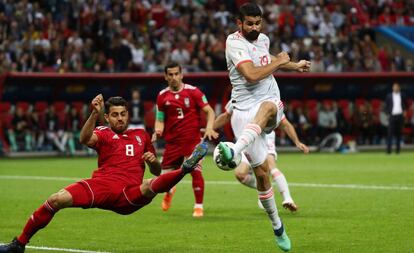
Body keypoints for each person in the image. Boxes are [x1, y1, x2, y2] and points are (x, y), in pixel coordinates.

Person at [0, 95, 208, 253]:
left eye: (123, 114)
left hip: (129, 193)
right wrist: (93, 113)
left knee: (149, 184)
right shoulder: (103, 132)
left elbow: (156, 170)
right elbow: (84, 139)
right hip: (101, 186)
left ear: (128, 114)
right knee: (56, 199)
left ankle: (185, 169)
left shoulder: (141, 136)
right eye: (115, 115)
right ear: (107, 117)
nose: (120, 119)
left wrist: (154, 162)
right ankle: (19, 244)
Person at [217, 3, 310, 251]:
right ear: (239, 23)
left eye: (258, 23)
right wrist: (280, 61)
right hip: (243, 112)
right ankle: (278, 227)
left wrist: (293, 65)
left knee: (269, 106)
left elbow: (267, 63)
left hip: (268, 104)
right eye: (249, 23)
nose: (255, 28)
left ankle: (234, 151)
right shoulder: (234, 42)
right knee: (261, 175)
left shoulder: (264, 40)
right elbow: (251, 74)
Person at [214, 101, 308, 212]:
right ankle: (265, 188)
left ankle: (288, 199)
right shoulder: (237, 97)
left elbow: (285, 123)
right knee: (240, 174)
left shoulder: (268, 99)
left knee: (271, 167)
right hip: (243, 142)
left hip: (264, 138)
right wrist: (210, 128)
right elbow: (226, 116)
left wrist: (297, 142)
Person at [152, 61, 218, 218]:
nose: (174, 77)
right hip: (173, 142)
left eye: (176, 74)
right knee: (164, 178)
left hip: (192, 141)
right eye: (170, 74)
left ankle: (198, 207)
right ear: (165, 76)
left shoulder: (193, 92)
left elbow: (209, 111)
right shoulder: (162, 96)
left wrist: (209, 127)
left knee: (195, 171)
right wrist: (158, 131)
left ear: (181, 74)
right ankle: (170, 191)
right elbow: (160, 118)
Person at [385, 82, 407, 154]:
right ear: (392, 88)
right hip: (392, 116)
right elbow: (387, 106)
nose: (395, 88)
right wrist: (388, 113)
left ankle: (398, 151)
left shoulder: (403, 95)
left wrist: (404, 111)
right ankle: (388, 151)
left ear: (399, 88)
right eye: (394, 87)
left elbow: (405, 104)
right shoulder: (389, 96)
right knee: (390, 134)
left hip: (400, 116)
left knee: (399, 134)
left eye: (397, 87)